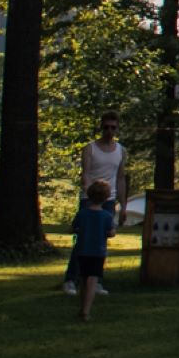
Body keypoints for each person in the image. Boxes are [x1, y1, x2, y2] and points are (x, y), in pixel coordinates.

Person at [68, 117, 125, 291]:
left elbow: (121, 178)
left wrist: (123, 204)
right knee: (83, 240)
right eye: (106, 127)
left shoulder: (121, 151)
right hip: (89, 198)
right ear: (101, 128)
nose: (109, 131)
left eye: (113, 127)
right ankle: (71, 279)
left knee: (101, 241)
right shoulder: (90, 149)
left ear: (117, 129)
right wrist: (89, 193)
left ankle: (95, 280)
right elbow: (85, 173)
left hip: (109, 199)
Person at [67, 179, 117, 323]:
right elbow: (112, 233)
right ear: (106, 197)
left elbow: (71, 229)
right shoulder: (106, 216)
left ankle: (81, 307)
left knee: (83, 279)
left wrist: (79, 230)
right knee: (93, 280)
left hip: (82, 250)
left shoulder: (82, 214)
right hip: (98, 251)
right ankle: (86, 311)